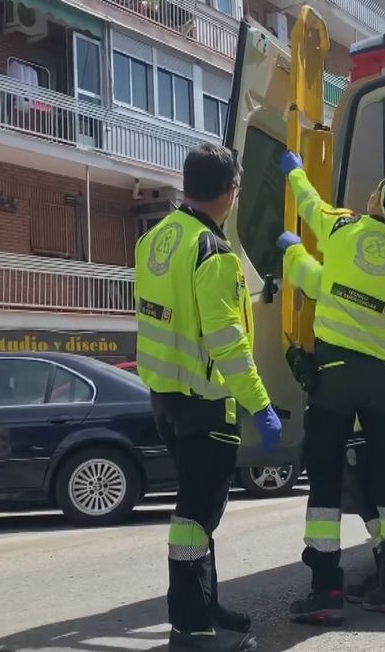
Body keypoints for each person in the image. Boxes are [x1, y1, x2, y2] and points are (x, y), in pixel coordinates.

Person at [134, 143, 283, 652]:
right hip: (206, 403)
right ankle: (193, 627)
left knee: (196, 513)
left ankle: (207, 606)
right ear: (230, 191)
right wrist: (260, 404)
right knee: (195, 518)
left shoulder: (156, 238)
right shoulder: (213, 254)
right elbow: (227, 343)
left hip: (166, 397)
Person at [274, 151, 385, 624]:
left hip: (335, 377)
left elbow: (309, 205)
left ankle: (326, 590)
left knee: (325, 480)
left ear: (378, 198)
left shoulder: (344, 228)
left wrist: (292, 246)